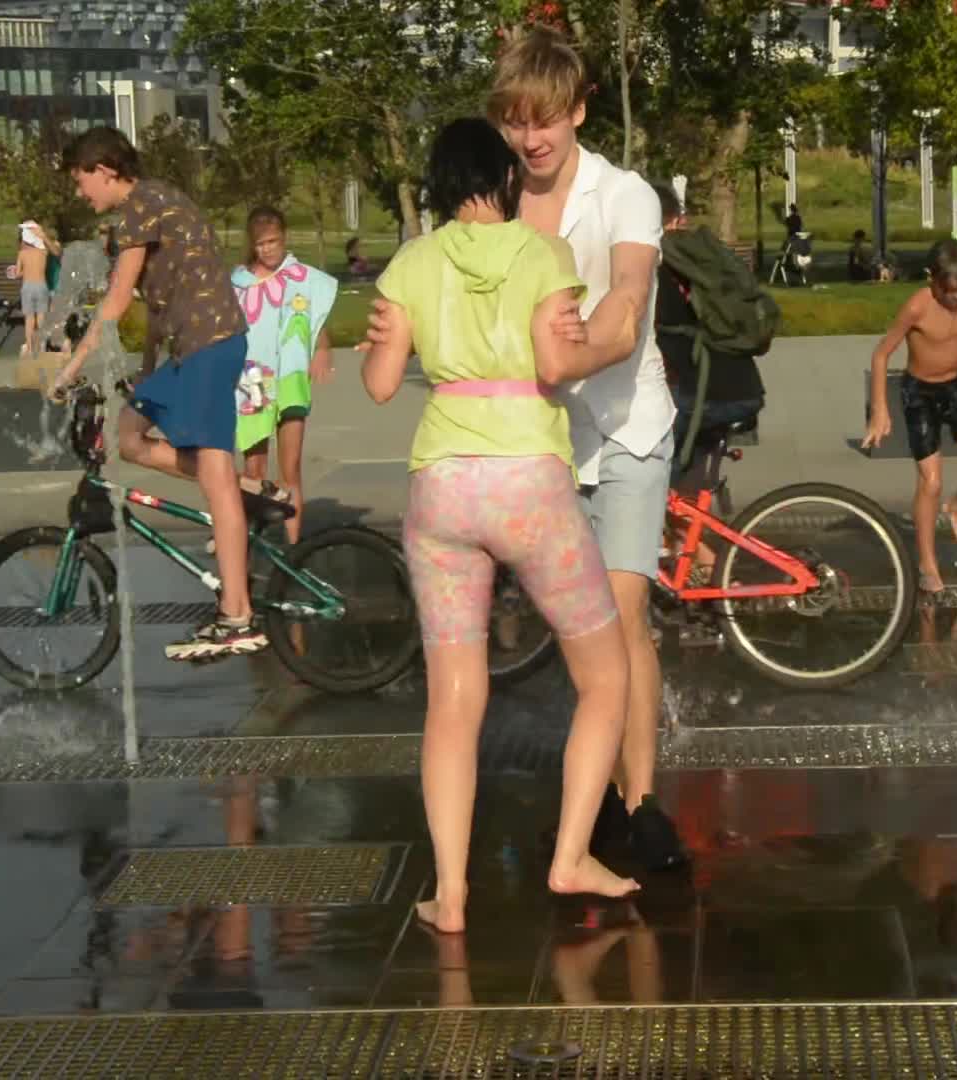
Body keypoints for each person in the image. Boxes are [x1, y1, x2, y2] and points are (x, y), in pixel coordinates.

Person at [359, 116, 638, 933]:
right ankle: (571, 856)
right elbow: (557, 361)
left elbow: (380, 383)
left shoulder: (411, 263)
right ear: (505, 177)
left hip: (442, 489)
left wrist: (385, 335)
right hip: (528, 485)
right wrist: (602, 336)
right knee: (606, 676)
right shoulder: (543, 254)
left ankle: (450, 895)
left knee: (453, 699)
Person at [490, 28, 685, 871]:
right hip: (545, 439)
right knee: (580, 626)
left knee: (622, 616)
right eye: (515, 121)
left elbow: (629, 298)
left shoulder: (625, 195)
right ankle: (597, 790)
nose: (530, 138)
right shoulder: (498, 199)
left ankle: (641, 804)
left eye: (544, 119)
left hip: (631, 424)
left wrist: (572, 356)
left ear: (577, 111)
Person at [49, 125, 262, 662]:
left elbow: (118, 299)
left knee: (215, 480)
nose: (80, 192)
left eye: (80, 180)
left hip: (209, 344)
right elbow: (159, 302)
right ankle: (244, 487)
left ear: (104, 170)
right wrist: (145, 374)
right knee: (129, 435)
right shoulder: (155, 201)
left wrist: (70, 368)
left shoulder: (140, 206)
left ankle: (237, 616)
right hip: (193, 347)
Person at [863, 237, 957, 594]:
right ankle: (927, 564)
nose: (956, 299)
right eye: (948, 292)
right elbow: (881, 355)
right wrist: (880, 409)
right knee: (930, 482)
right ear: (931, 279)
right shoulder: (917, 306)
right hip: (921, 395)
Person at [232, 206, 336, 545]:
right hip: (253, 380)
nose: (268, 249)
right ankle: (246, 545)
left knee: (290, 469)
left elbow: (314, 318)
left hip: (290, 378)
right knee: (254, 470)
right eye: (261, 243)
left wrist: (322, 348)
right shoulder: (238, 283)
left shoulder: (300, 278)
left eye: (274, 241)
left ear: (284, 237)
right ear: (252, 244)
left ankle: (294, 548)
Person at [653, 184, 765, 496]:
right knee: (681, 497)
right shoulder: (700, 260)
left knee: (644, 478)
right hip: (740, 387)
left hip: (706, 395)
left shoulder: (661, 265)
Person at [15, 220, 61, 359]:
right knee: (41, 317)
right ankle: (41, 347)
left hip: (27, 286)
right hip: (42, 286)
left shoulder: (22, 253)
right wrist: (42, 236)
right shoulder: (43, 252)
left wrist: (26, 271)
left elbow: (17, 274)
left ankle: (30, 347)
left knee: (29, 319)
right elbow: (56, 252)